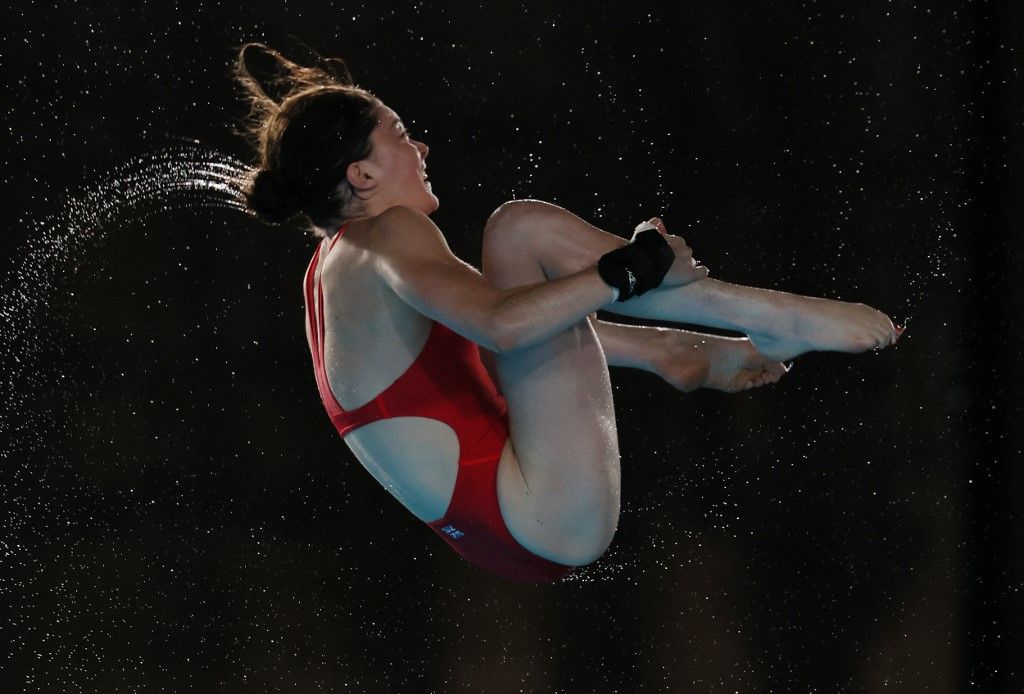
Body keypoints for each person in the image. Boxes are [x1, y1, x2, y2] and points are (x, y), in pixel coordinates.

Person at [234, 43, 899, 583]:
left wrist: (657, 328)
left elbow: (519, 328)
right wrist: (628, 269)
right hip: (541, 507)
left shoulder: (332, 273)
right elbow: (504, 327)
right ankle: (766, 313)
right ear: (362, 176)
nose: (422, 150)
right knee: (518, 229)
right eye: (402, 137)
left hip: (518, 532)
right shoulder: (388, 237)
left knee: (524, 278)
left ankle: (688, 344)